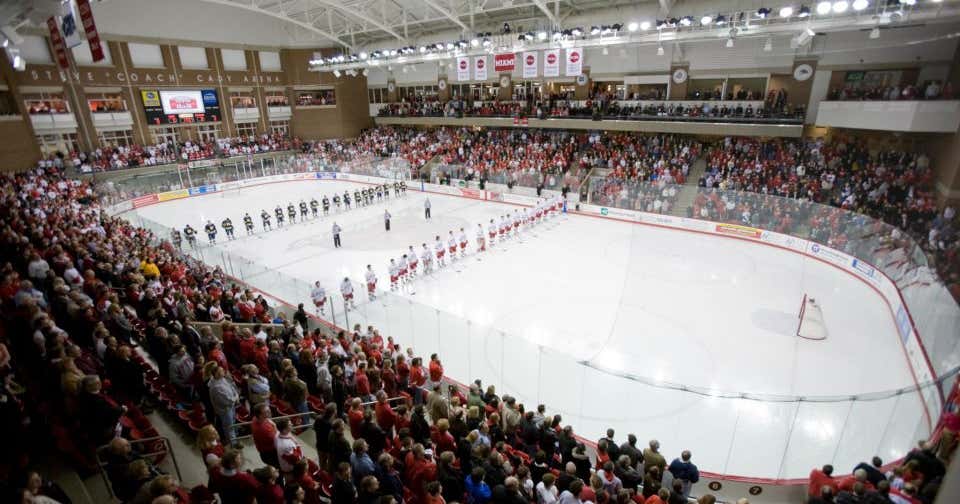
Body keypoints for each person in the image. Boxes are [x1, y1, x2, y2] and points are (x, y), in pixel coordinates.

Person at [208, 365, 240, 447]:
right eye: (221, 371)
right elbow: (225, 401)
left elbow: (231, 387)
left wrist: (236, 395)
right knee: (229, 427)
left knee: (233, 423)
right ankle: (233, 443)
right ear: (216, 374)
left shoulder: (223, 379)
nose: (223, 371)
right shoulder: (215, 387)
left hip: (231, 406)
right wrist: (235, 398)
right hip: (225, 409)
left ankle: (235, 440)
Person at [251, 403, 279, 467]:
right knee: (277, 469)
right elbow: (277, 438)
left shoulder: (256, 418)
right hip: (270, 454)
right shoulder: (263, 429)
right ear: (260, 415)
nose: (270, 412)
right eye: (267, 411)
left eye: (269, 410)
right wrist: (274, 426)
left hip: (264, 451)